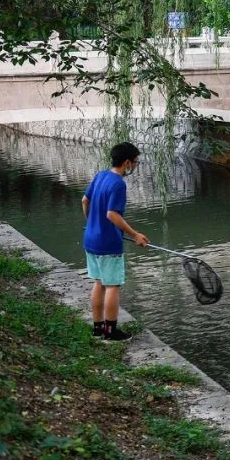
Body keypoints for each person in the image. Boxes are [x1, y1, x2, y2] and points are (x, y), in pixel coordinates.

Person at [82, 142, 148, 341]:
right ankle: (110, 332)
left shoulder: (100, 175)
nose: (135, 166)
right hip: (108, 243)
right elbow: (112, 214)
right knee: (113, 285)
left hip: (91, 239)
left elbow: (84, 201)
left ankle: (97, 329)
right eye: (135, 162)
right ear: (127, 162)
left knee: (99, 282)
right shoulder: (118, 183)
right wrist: (135, 235)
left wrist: (92, 223)